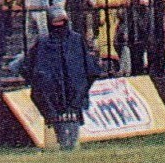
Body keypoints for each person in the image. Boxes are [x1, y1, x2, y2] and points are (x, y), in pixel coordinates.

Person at [22, 8, 104, 151]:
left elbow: (90, 70)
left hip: (74, 97)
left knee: (71, 132)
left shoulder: (76, 40)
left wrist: (80, 92)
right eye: (56, 22)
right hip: (52, 99)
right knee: (56, 131)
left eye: (61, 21)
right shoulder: (43, 43)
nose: (59, 25)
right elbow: (28, 68)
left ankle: (67, 142)